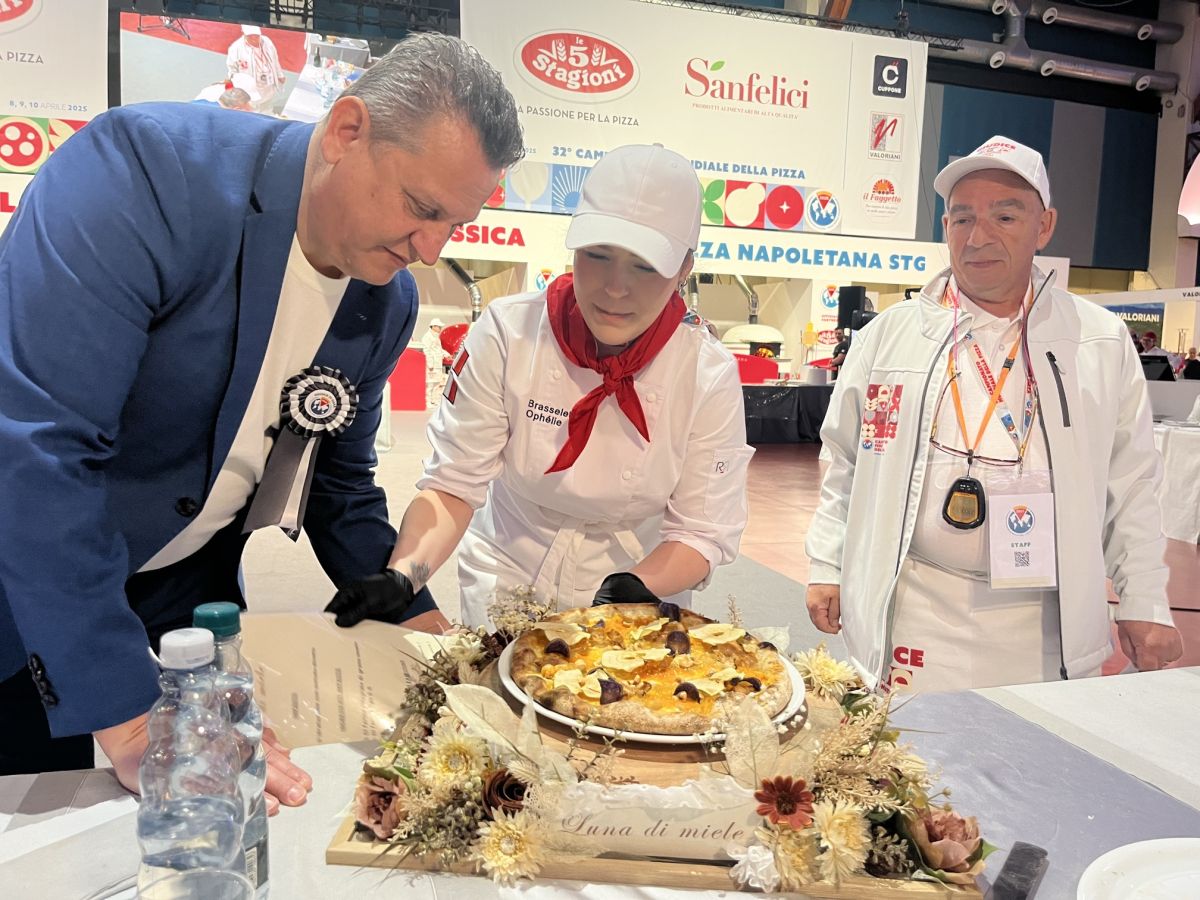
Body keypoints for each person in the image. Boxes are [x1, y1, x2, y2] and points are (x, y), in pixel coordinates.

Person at [0, 34, 522, 807]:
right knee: (33, 816)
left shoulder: (384, 302)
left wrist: (411, 608)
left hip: (187, 603)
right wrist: (131, 718)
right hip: (30, 588)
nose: (429, 248)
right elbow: (37, 450)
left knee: (186, 830)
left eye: (457, 224)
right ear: (347, 131)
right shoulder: (143, 177)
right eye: (422, 209)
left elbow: (337, 485)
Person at [805, 136, 1181, 693]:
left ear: (1044, 226)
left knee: (1035, 746)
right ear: (945, 227)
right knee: (906, 745)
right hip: (913, 608)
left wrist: (1144, 598)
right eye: (962, 219)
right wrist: (826, 563)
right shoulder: (889, 338)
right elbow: (843, 462)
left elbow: (1131, 486)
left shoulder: (1097, 342)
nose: (978, 237)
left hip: (1046, 623)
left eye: (1005, 216)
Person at [325, 144, 753, 630]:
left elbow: (700, 530)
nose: (615, 287)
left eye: (644, 266)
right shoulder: (510, 333)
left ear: (685, 268)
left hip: (641, 576)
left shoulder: (705, 373)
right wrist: (406, 576)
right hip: (510, 569)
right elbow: (455, 485)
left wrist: (636, 586)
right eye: (597, 255)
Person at [227, 24, 287, 113]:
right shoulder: (236, 48)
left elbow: (275, 59)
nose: (254, 39)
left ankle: (268, 114)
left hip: (268, 82)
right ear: (244, 34)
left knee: (267, 105)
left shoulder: (267, 42)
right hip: (250, 87)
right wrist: (235, 85)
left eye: (256, 36)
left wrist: (279, 74)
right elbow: (232, 69)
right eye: (250, 37)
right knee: (252, 109)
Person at [421, 318, 447, 409]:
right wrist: (430, 363)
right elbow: (426, 350)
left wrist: (446, 354)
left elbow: (438, 349)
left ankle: (433, 400)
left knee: (436, 383)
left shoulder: (436, 337)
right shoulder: (427, 337)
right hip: (432, 365)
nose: (440, 328)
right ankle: (427, 401)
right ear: (433, 326)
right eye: (439, 327)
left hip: (438, 363)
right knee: (430, 384)